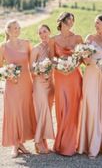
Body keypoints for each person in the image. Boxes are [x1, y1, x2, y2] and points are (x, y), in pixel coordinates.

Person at [78, 14, 102, 158]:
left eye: (98, 23)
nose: (96, 26)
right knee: (92, 107)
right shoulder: (90, 38)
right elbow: (85, 60)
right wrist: (85, 57)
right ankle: (90, 144)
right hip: (91, 74)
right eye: (95, 23)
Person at [0, 20, 36, 158]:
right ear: (8, 30)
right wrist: (9, 76)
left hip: (26, 83)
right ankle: (15, 144)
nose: (17, 30)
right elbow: (0, 67)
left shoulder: (27, 43)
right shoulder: (3, 47)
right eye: (14, 28)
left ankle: (21, 142)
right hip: (11, 84)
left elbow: (32, 66)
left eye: (18, 27)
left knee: (24, 112)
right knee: (14, 112)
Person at [49, 12, 83, 156]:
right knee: (62, 108)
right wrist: (60, 66)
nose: (71, 22)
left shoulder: (78, 38)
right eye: (68, 19)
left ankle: (70, 145)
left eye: (72, 20)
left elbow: (82, 58)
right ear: (61, 21)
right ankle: (61, 142)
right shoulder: (53, 39)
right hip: (60, 75)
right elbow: (51, 58)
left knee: (73, 108)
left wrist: (73, 65)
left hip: (74, 75)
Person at [30, 24, 55, 154]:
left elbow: (55, 62)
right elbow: (31, 69)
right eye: (40, 33)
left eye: (45, 31)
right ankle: (37, 141)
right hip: (39, 83)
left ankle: (43, 141)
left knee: (47, 113)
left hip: (50, 84)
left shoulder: (52, 48)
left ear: (50, 32)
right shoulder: (36, 49)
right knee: (42, 110)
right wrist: (41, 72)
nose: (43, 34)